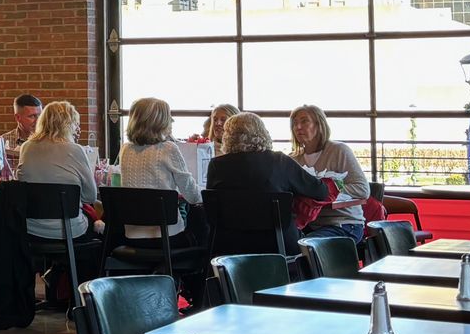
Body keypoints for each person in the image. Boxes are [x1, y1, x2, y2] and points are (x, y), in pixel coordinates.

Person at [205, 113, 327, 248]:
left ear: (228, 137)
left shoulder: (216, 165)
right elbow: (320, 191)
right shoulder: (280, 161)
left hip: (230, 245)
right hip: (278, 243)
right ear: (263, 133)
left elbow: (212, 205)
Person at [119, 97, 203, 242]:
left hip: (132, 236)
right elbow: (192, 195)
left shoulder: (125, 149)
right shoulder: (168, 148)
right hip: (166, 237)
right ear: (158, 122)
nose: (172, 120)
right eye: (168, 116)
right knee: (201, 225)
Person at [15, 100, 97, 244]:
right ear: (69, 124)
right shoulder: (75, 149)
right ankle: (75, 266)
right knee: (99, 226)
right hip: (69, 230)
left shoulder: (26, 147)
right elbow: (89, 196)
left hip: (31, 228)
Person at [289, 104, 369, 242]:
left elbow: (363, 189)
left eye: (304, 121)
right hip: (308, 225)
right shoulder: (292, 159)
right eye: (294, 123)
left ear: (319, 125)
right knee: (279, 244)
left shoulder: (339, 151)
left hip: (343, 223)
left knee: (304, 246)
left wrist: (328, 191)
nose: (298, 127)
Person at [0, 94, 42, 180]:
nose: (38, 121)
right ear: (18, 117)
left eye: (40, 116)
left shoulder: (49, 141)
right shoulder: (3, 141)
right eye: (32, 116)